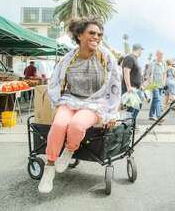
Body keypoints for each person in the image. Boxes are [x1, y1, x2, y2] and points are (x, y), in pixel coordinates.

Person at [38, 17, 121, 193]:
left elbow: (115, 86)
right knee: (59, 124)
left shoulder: (106, 57)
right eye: (92, 33)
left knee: (76, 125)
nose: (96, 37)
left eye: (99, 34)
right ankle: (50, 166)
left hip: (96, 103)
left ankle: (69, 151)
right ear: (80, 35)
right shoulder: (68, 59)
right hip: (70, 100)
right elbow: (54, 81)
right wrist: (57, 101)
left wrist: (112, 113)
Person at [122, 43, 144, 119]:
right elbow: (126, 72)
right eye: (141, 50)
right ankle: (127, 125)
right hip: (131, 88)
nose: (142, 52)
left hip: (136, 88)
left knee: (138, 105)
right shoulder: (130, 58)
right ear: (139, 49)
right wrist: (128, 87)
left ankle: (131, 123)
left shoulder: (135, 59)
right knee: (131, 108)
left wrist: (141, 85)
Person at [149, 50, 166, 121]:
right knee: (158, 99)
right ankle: (159, 116)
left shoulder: (164, 63)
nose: (161, 55)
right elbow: (151, 74)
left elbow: (164, 74)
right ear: (156, 54)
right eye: (160, 54)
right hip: (154, 84)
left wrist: (164, 82)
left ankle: (151, 115)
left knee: (155, 100)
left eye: (162, 54)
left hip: (161, 84)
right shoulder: (153, 63)